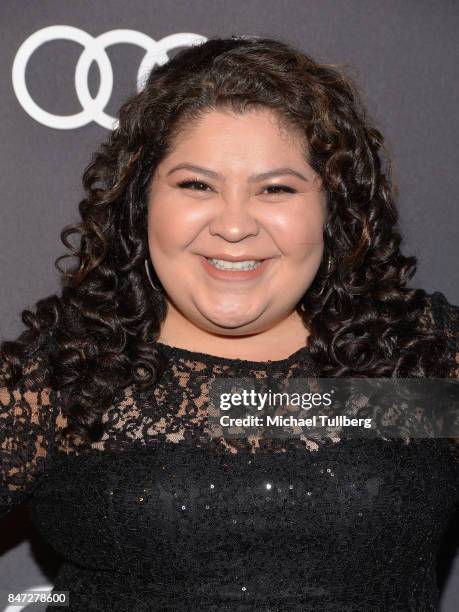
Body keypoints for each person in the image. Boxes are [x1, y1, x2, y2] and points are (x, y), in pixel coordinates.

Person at [0, 35, 458, 612]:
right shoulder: (67, 372)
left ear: (333, 208)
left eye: (276, 188)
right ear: (142, 202)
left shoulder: (422, 353)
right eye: (197, 185)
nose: (235, 225)